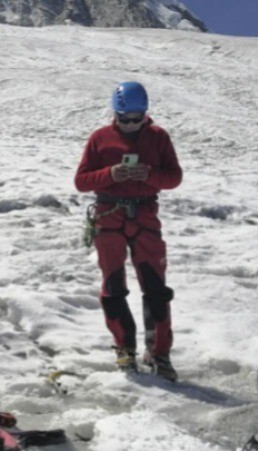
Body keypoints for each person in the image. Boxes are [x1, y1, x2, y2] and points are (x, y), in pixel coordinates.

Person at [74, 81, 182, 381]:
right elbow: (81, 181)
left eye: (138, 119)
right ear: (116, 114)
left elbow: (174, 177)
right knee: (113, 287)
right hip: (109, 218)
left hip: (145, 218)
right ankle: (125, 349)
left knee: (156, 289)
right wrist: (110, 175)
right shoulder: (100, 139)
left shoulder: (159, 137)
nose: (132, 125)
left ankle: (159, 353)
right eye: (126, 119)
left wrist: (149, 174)